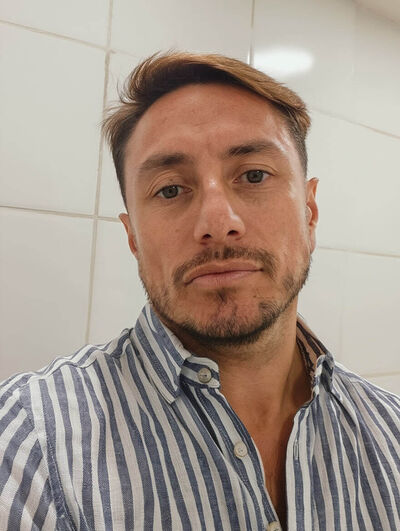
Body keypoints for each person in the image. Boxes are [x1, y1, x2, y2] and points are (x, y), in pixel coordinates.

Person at [0, 51, 399, 531]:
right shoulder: (28, 445)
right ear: (132, 237)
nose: (217, 221)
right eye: (170, 189)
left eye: (254, 175)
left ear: (310, 214)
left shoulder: (391, 433)